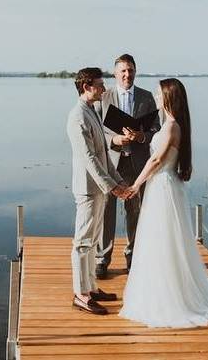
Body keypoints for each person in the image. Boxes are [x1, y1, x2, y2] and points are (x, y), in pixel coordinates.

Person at [119, 78, 208, 327]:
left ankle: (172, 296)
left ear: (168, 98)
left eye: (159, 93)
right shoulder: (169, 125)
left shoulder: (173, 126)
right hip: (161, 186)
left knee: (164, 240)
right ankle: (160, 288)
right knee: (159, 240)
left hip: (163, 187)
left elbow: (156, 161)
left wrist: (136, 184)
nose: (155, 96)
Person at [66, 67, 133, 315]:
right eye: (100, 84)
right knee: (82, 243)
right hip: (87, 189)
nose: (104, 89)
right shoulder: (77, 116)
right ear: (86, 86)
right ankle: (81, 295)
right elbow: (88, 158)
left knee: (92, 242)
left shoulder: (92, 111)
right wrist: (113, 187)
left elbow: (104, 154)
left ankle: (91, 287)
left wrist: (118, 181)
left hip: (99, 187)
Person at [94, 53, 160, 278]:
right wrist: (114, 140)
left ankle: (134, 257)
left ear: (135, 72)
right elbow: (96, 133)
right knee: (106, 211)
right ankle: (102, 259)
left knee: (135, 212)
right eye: (122, 71)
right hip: (111, 163)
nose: (127, 74)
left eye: (130, 70)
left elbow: (156, 131)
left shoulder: (146, 97)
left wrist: (141, 136)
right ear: (115, 73)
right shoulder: (104, 97)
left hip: (137, 164)